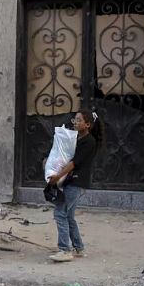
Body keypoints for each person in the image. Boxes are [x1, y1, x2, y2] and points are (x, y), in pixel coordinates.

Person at [47, 110, 102, 262]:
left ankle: (65, 250)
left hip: (76, 182)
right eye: (75, 120)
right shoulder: (76, 138)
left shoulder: (89, 142)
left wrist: (57, 176)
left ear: (88, 124)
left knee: (60, 213)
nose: (75, 123)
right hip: (72, 181)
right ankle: (79, 248)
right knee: (69, 216)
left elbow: (73, 163)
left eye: (79, 120)